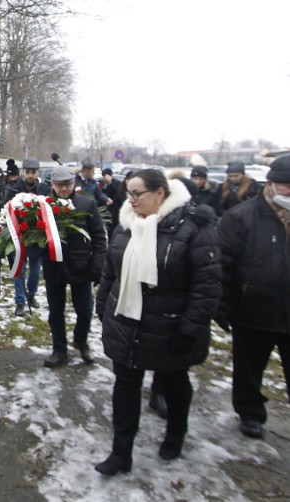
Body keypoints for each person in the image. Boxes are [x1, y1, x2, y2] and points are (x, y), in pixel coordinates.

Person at [94, 171, 221, 475]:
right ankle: (121, 453)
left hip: (170, 324)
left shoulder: (192, 228)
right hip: (127, 320)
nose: (131, 200)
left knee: (175, 381)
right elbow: (110, 271)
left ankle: (175, 435)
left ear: (160, 193)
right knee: (125, 383)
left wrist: (190, 328)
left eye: (137, 193)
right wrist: (103, 308)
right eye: (128, 193)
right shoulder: (126, 224)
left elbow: (207, 286)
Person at [217, 155, 290, 440]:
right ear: (270, 184)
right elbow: (223, 264)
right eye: (285, 186)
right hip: (252, 311)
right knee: (248, 368)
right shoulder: (241, 217)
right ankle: (250, 412)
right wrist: (223, 307)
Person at [42, 166, 107, 367]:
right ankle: (59, 349)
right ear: (52, 184)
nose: (64, 189)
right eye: (60, 185)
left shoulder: (87, 204)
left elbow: (98, 237)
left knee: (85, 310)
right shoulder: (42, 206)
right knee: (56, 311)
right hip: (54, 267)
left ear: (74, 183)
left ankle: (80, 341)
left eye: (68, 184)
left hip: (82, 267)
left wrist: (97, 265)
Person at [7, 158, 52, 315]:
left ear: (37, 173)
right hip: (18, 236)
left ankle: (31, 295)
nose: (30, 175)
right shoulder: (14, 189)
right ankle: (20, 301)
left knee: (35, 272)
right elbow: (6, 210)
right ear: (23, 172)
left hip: (37, 238)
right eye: (28, 172)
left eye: (33, 172)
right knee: (19, 270)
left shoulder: (45, 190)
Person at [99, 167, 123, 237]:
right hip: (105, 209)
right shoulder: (101, 183)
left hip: (115, 210)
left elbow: (118, 193)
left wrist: (110, 183)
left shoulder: (117, 183)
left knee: (114, 230)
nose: (104, 178)